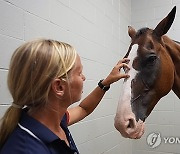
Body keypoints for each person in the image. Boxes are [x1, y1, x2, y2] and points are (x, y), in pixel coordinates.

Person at [0, 39, 130, 154]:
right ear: (59, 87)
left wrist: (106, 83)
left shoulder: (53, 120)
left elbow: (83, 109)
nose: (84, 78)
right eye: (79, 73)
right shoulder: (27, 149)